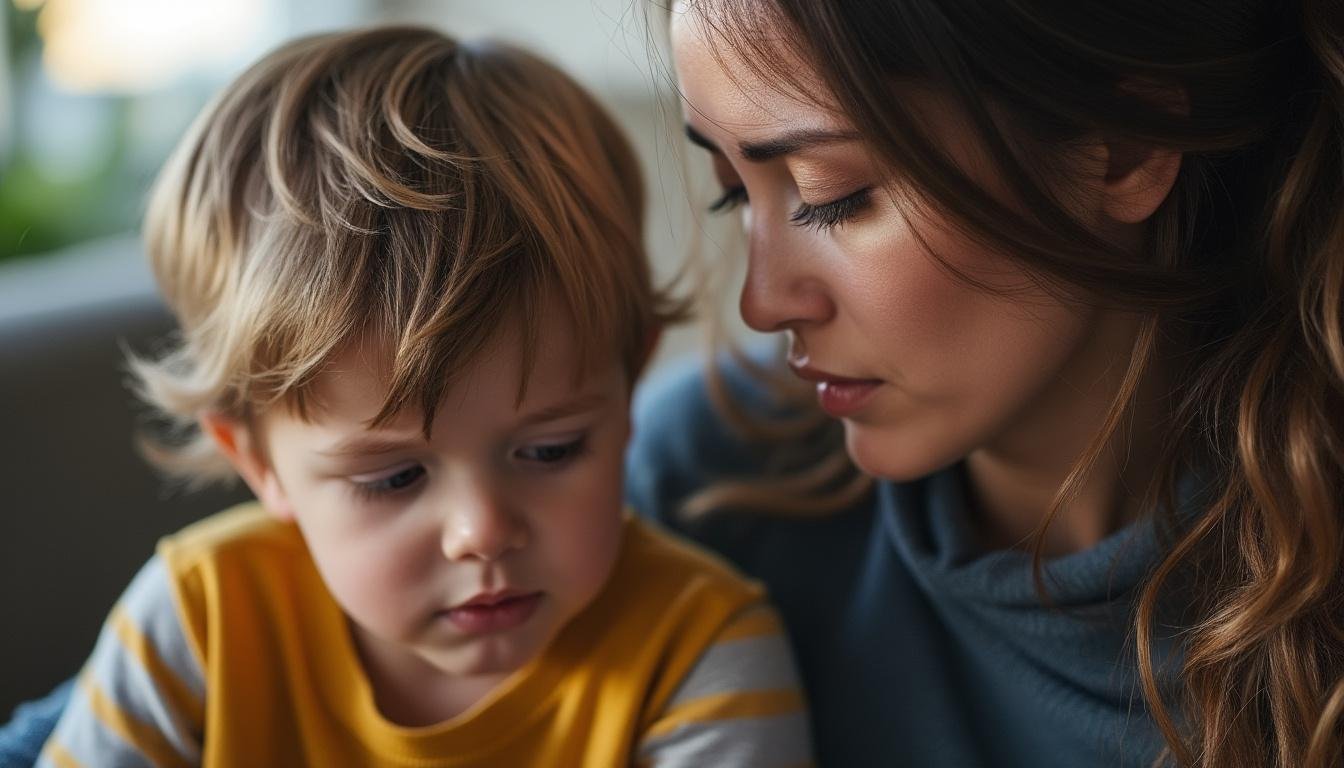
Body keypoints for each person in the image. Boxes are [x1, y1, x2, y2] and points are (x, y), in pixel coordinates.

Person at [20, 26, 811, 768]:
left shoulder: (702, 651)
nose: (482, 533)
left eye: (550, 450)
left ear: (629, 386)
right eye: (393, 478)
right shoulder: (199, 623)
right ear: (257, 463)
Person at [621, 1, 1341, 767]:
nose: (761, 303)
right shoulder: (687, 493)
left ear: (1124, 150)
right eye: (732, 189)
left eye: (831, 193)